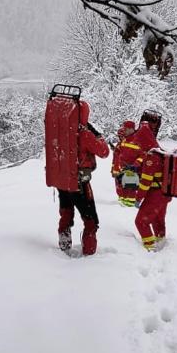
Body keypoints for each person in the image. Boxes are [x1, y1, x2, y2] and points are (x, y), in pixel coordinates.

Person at [58, 100, 110, 256]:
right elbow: (104, 152)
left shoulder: (61, 129)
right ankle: (89, 253)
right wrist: (98, 135)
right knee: (91, 221)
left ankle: (64, 247)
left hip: (62, 181)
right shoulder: (84, 134)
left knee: (66, 213)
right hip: (80, 182)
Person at [131, 110, 171, 251]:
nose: (138, 144)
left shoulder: (151, 157)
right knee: (157, 219)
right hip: (165, 193)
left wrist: (138, 198)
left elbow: (146, 181)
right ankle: (161, 242)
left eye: (139, 142)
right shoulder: (158, 151)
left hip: (156, 194)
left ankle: (150, 248)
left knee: (140, 221)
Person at [111, 120, 141, 207]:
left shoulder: (138, 141)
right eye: (124, 129)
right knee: (121, 187)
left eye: (126, 129)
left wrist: (136, 164)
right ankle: (122, 204)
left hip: (131, 170)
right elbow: (119, 153)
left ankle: (129, 207)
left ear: (132, 129)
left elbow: (143, 155)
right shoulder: (124, 140)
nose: (124, 131)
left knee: (130, 189)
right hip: (121, 168)